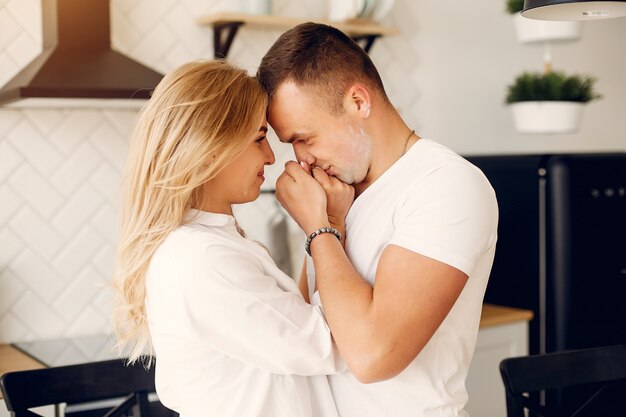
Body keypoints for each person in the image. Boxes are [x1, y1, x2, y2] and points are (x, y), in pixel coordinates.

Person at [257, 22, 499, 417]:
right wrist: (327, 224)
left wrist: (318, 229)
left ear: (358, 101)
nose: (301, 159)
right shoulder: (338, 194)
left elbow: (373, 356)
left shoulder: (447, 185)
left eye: (305, 137)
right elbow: (309, 328)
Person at [112, 60, 343, 417]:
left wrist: (320, 226)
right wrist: (325, 227)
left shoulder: (209, 244)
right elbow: (327, 343)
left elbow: (295, 317)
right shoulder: (202, 258)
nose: (270, 156)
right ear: (211, 146)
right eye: (259, 138)